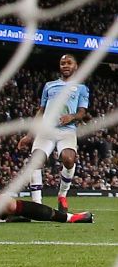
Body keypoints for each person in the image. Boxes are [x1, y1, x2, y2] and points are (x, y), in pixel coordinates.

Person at [18, 54, 88, 212]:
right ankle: (37, 204)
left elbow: (82, 112)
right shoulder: (49, 86)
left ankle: (62, 195)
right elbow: (41, 111)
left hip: (67, 131)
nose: (65, 65)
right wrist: (30, 135)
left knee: (69, 159)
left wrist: (72, 116)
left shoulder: (81, 88)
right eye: (62, 63)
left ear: (76, 66)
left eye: (69, 63)